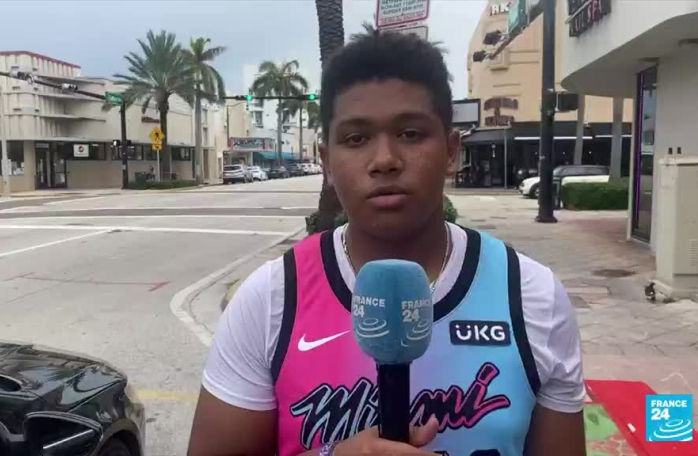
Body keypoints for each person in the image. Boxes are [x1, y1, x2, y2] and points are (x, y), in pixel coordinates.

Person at [188, 33, 585, 456]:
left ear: (452, 151)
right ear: (326, 162)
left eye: (410, 133)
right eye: (356, 139)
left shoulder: (532, 295)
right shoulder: (270, 299)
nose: (384, 160)